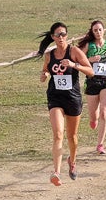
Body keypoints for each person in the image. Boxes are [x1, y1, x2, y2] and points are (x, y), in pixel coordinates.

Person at [38, 22, 94, 186]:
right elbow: (46, 70)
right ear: (53, 37)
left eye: (63, 34)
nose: (61, 37)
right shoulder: (49, 55)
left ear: (67, 36)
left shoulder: (74, 51)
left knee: (72, 137)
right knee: (58, 135)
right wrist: (44, 75)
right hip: (55, 97)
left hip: (72, 98)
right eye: (58, 35)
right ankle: (56, 172)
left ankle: (73, 160)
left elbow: (90, 71)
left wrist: (73, 64)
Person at [78, 20, 106, 155]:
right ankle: (93, 120)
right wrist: (90, 60)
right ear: (92, 32)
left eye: (100, 30)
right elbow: (79, 59)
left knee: (104, 111)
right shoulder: (88, 45)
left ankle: (100, 144)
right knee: (93, 116)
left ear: (104, 30)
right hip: (92, 82)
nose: (98, 32)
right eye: (95, 30)